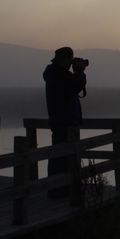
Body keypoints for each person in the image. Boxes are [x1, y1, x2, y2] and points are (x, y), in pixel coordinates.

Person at [43, 46, 87, 198]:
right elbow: (77, 85)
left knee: (62, 156)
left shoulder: (55, 73)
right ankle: (58, 190)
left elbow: (74, 86)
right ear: (65, 59)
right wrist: (79, 71)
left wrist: (77, 71)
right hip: (64, 120)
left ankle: (61, 188)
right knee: (62, 156)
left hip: (61, 119)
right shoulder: (58, 74)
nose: (71, 62)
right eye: (71, 58)